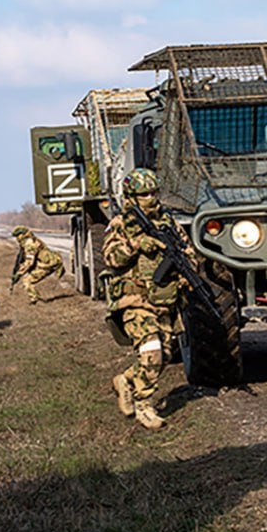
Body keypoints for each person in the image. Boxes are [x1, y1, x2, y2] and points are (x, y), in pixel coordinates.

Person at [102, 168, 194, 430]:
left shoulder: (168, 223)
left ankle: (126, 380)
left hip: (165, 301)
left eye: (154, 192)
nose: (151, 198)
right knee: (151, 352)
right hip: (135, 301)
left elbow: (188, 251)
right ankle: (144, 406)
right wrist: (136, 244)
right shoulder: (121, 224)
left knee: (163, 356)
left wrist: (187, 273)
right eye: (144, 194)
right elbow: (110, 258)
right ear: (131, 197)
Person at [10, 225, 66, 304]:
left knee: (27, 281)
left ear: (21, 235)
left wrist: (19, 274)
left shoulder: (29, 244)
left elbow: (29, 262)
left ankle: (35, 300)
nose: (17, 239)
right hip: (48, 262)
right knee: (30, 274)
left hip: (47, 264)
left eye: (17, 236)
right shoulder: (30, 240)